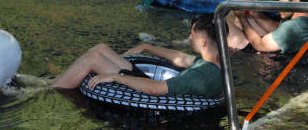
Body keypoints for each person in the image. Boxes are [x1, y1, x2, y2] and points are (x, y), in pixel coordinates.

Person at [50, 13, 224, 99]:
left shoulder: (200, 76)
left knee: (93, 58)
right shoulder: (212, 61)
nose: (189, 37)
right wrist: (147, 47)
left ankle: (47, 91)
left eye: (192, 34)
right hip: (153, 89)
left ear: (203, 41)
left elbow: (154, 89)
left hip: (152, 97)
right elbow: (180, 57)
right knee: (101, 48)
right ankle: (51, 82)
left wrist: (116, 77)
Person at [225, 0, 308, 53]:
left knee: (226, 25)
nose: (276, 7)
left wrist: (241, 17)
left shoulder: (292, 27)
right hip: (280, 45)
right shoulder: (306, 12)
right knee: (235, 16)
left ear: (296, 2)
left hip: (269, 58)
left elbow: (260, 45)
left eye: (279, 2)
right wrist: (256, 14)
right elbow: (278, 27)